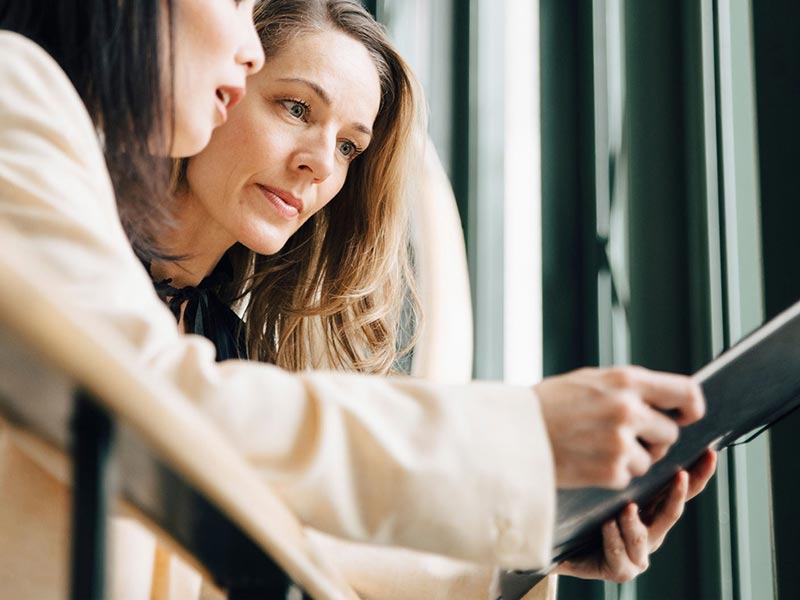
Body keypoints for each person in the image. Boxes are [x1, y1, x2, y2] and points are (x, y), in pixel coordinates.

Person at [0, 0, 713, 598]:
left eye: (349, 147)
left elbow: (278, 523)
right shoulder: (21, 97)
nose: (318, 161)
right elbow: (160, 412)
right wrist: (526, 441)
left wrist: (533, 540)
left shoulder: (224, 341)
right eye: (293, 107)